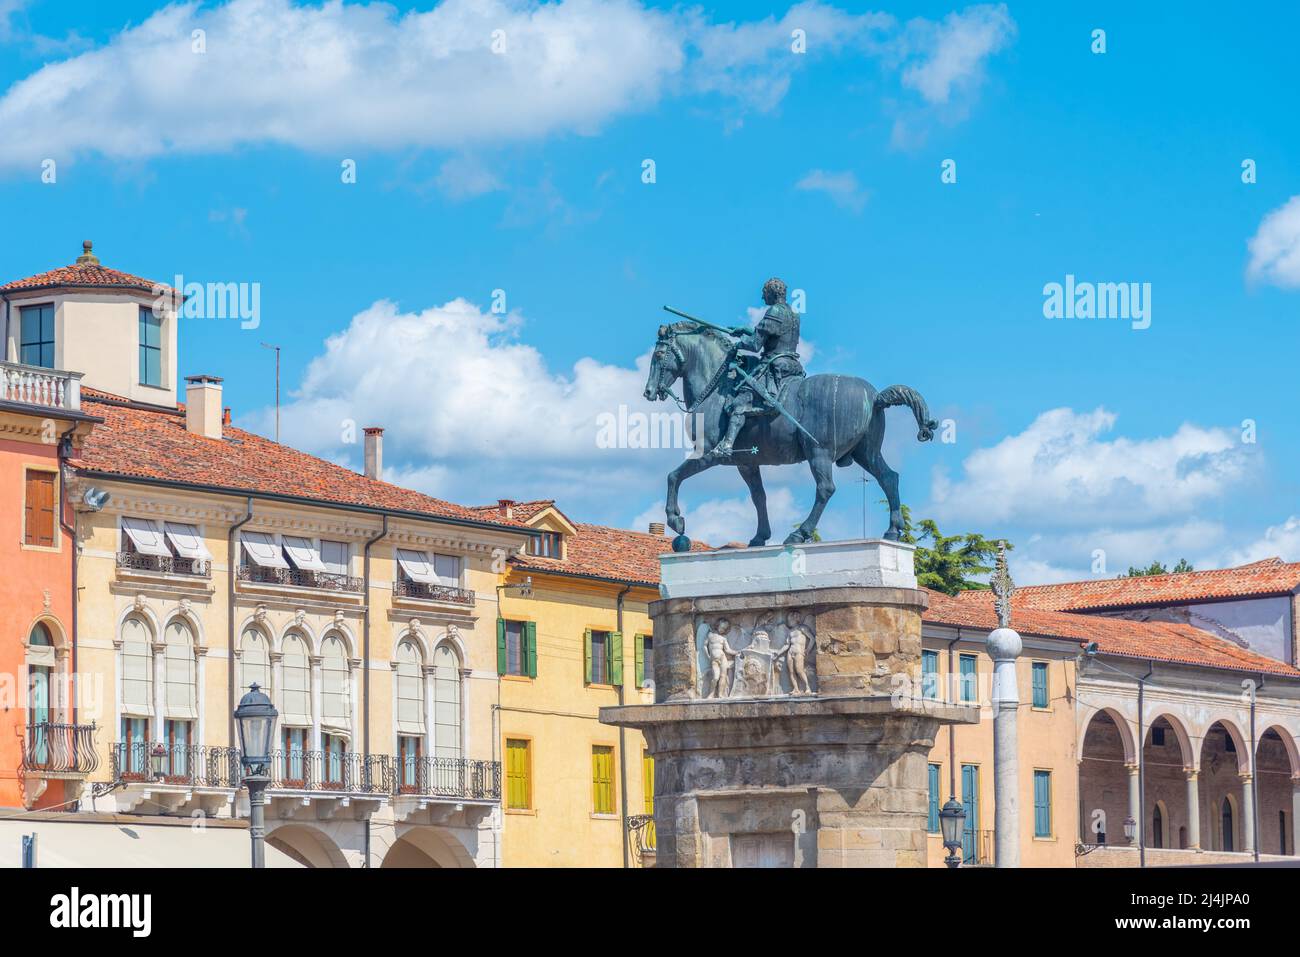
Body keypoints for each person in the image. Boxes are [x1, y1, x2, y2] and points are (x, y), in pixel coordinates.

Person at [709, 277, 805, 458]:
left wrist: (737, 345)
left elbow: (754, 345)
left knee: (739, 401)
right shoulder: (793, 313)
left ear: (771, 293)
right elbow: (774, 335)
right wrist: (746, 330)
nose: (763, 298)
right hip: (793, 366)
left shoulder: (774, 311)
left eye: (764, 294)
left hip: (774, 365)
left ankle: (727, 445)